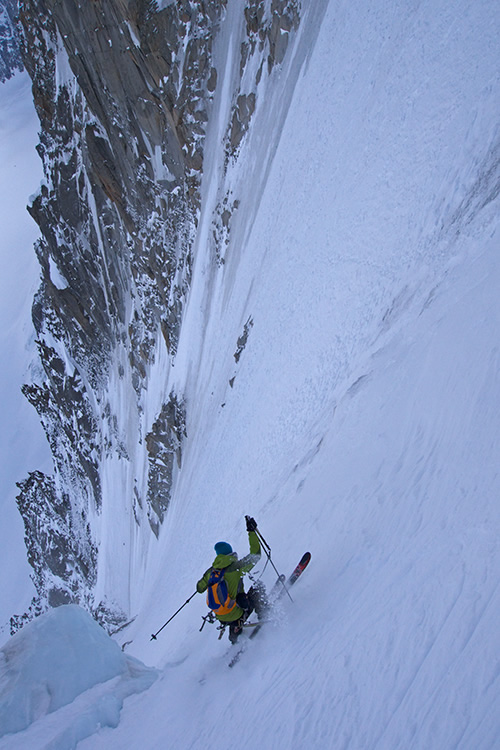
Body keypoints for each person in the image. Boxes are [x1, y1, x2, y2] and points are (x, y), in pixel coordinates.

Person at [196, 516, 267, 643]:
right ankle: (265, 613)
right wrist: (251, 532)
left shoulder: (211, 572)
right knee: (257, 588)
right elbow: (255, 555)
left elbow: (199, 588)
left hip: (221, 616)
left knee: (231, 607)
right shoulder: (235, 568)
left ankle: (235, 633)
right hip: (236, 612)